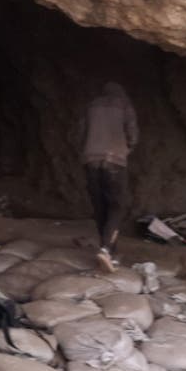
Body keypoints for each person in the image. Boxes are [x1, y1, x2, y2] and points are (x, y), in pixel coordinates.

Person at [80, 81, 138, 271]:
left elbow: (81, 132)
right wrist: (126, 149)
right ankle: (106, 250)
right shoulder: (124, 104)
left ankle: (108, 249)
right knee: (117, 206)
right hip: (114, 160)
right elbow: (132, 134)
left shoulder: (92, 105)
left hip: (91, 160)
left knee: (100, 205)